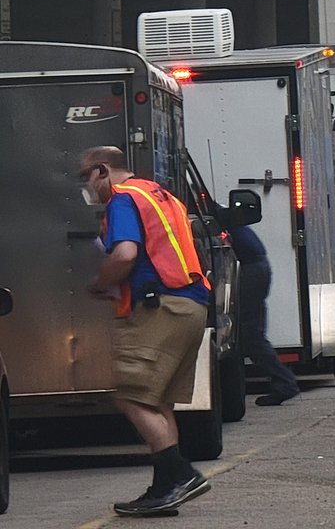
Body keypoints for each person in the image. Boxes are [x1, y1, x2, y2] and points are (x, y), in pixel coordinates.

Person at [80, 146, 212, 517]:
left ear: (103, 170)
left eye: (86, 177)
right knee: (158, 401)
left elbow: (124, 254)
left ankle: (179, 474)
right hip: (191, 304)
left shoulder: (123, 199)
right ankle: (165, 486)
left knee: (131, 396)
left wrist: (98, 282)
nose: (87, 187)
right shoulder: (159, 194)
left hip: (159, 308)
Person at [228, 223, 300, 407]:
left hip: (250, 269)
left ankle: (285, 383)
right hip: (256, 267)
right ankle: (283, 383)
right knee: (252, 333)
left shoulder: (209, 211)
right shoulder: (216, 210)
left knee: (249, 334)